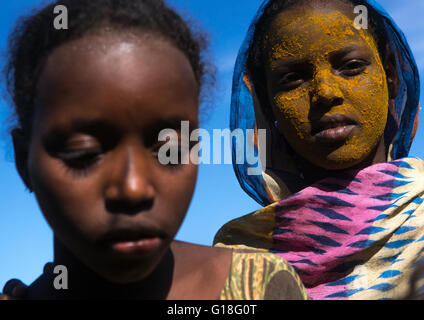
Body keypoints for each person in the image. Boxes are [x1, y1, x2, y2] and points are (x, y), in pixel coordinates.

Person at [0, 0, 308, 300]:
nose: (134, 189)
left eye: (170, 152)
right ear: (24, 162)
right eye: (84, 153)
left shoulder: (260, 288)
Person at [214, 0, 423, 300]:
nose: (325, 92)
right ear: (265, 100)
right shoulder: (236, 266)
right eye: (292, 79)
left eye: (351, 67)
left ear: (389, 73)